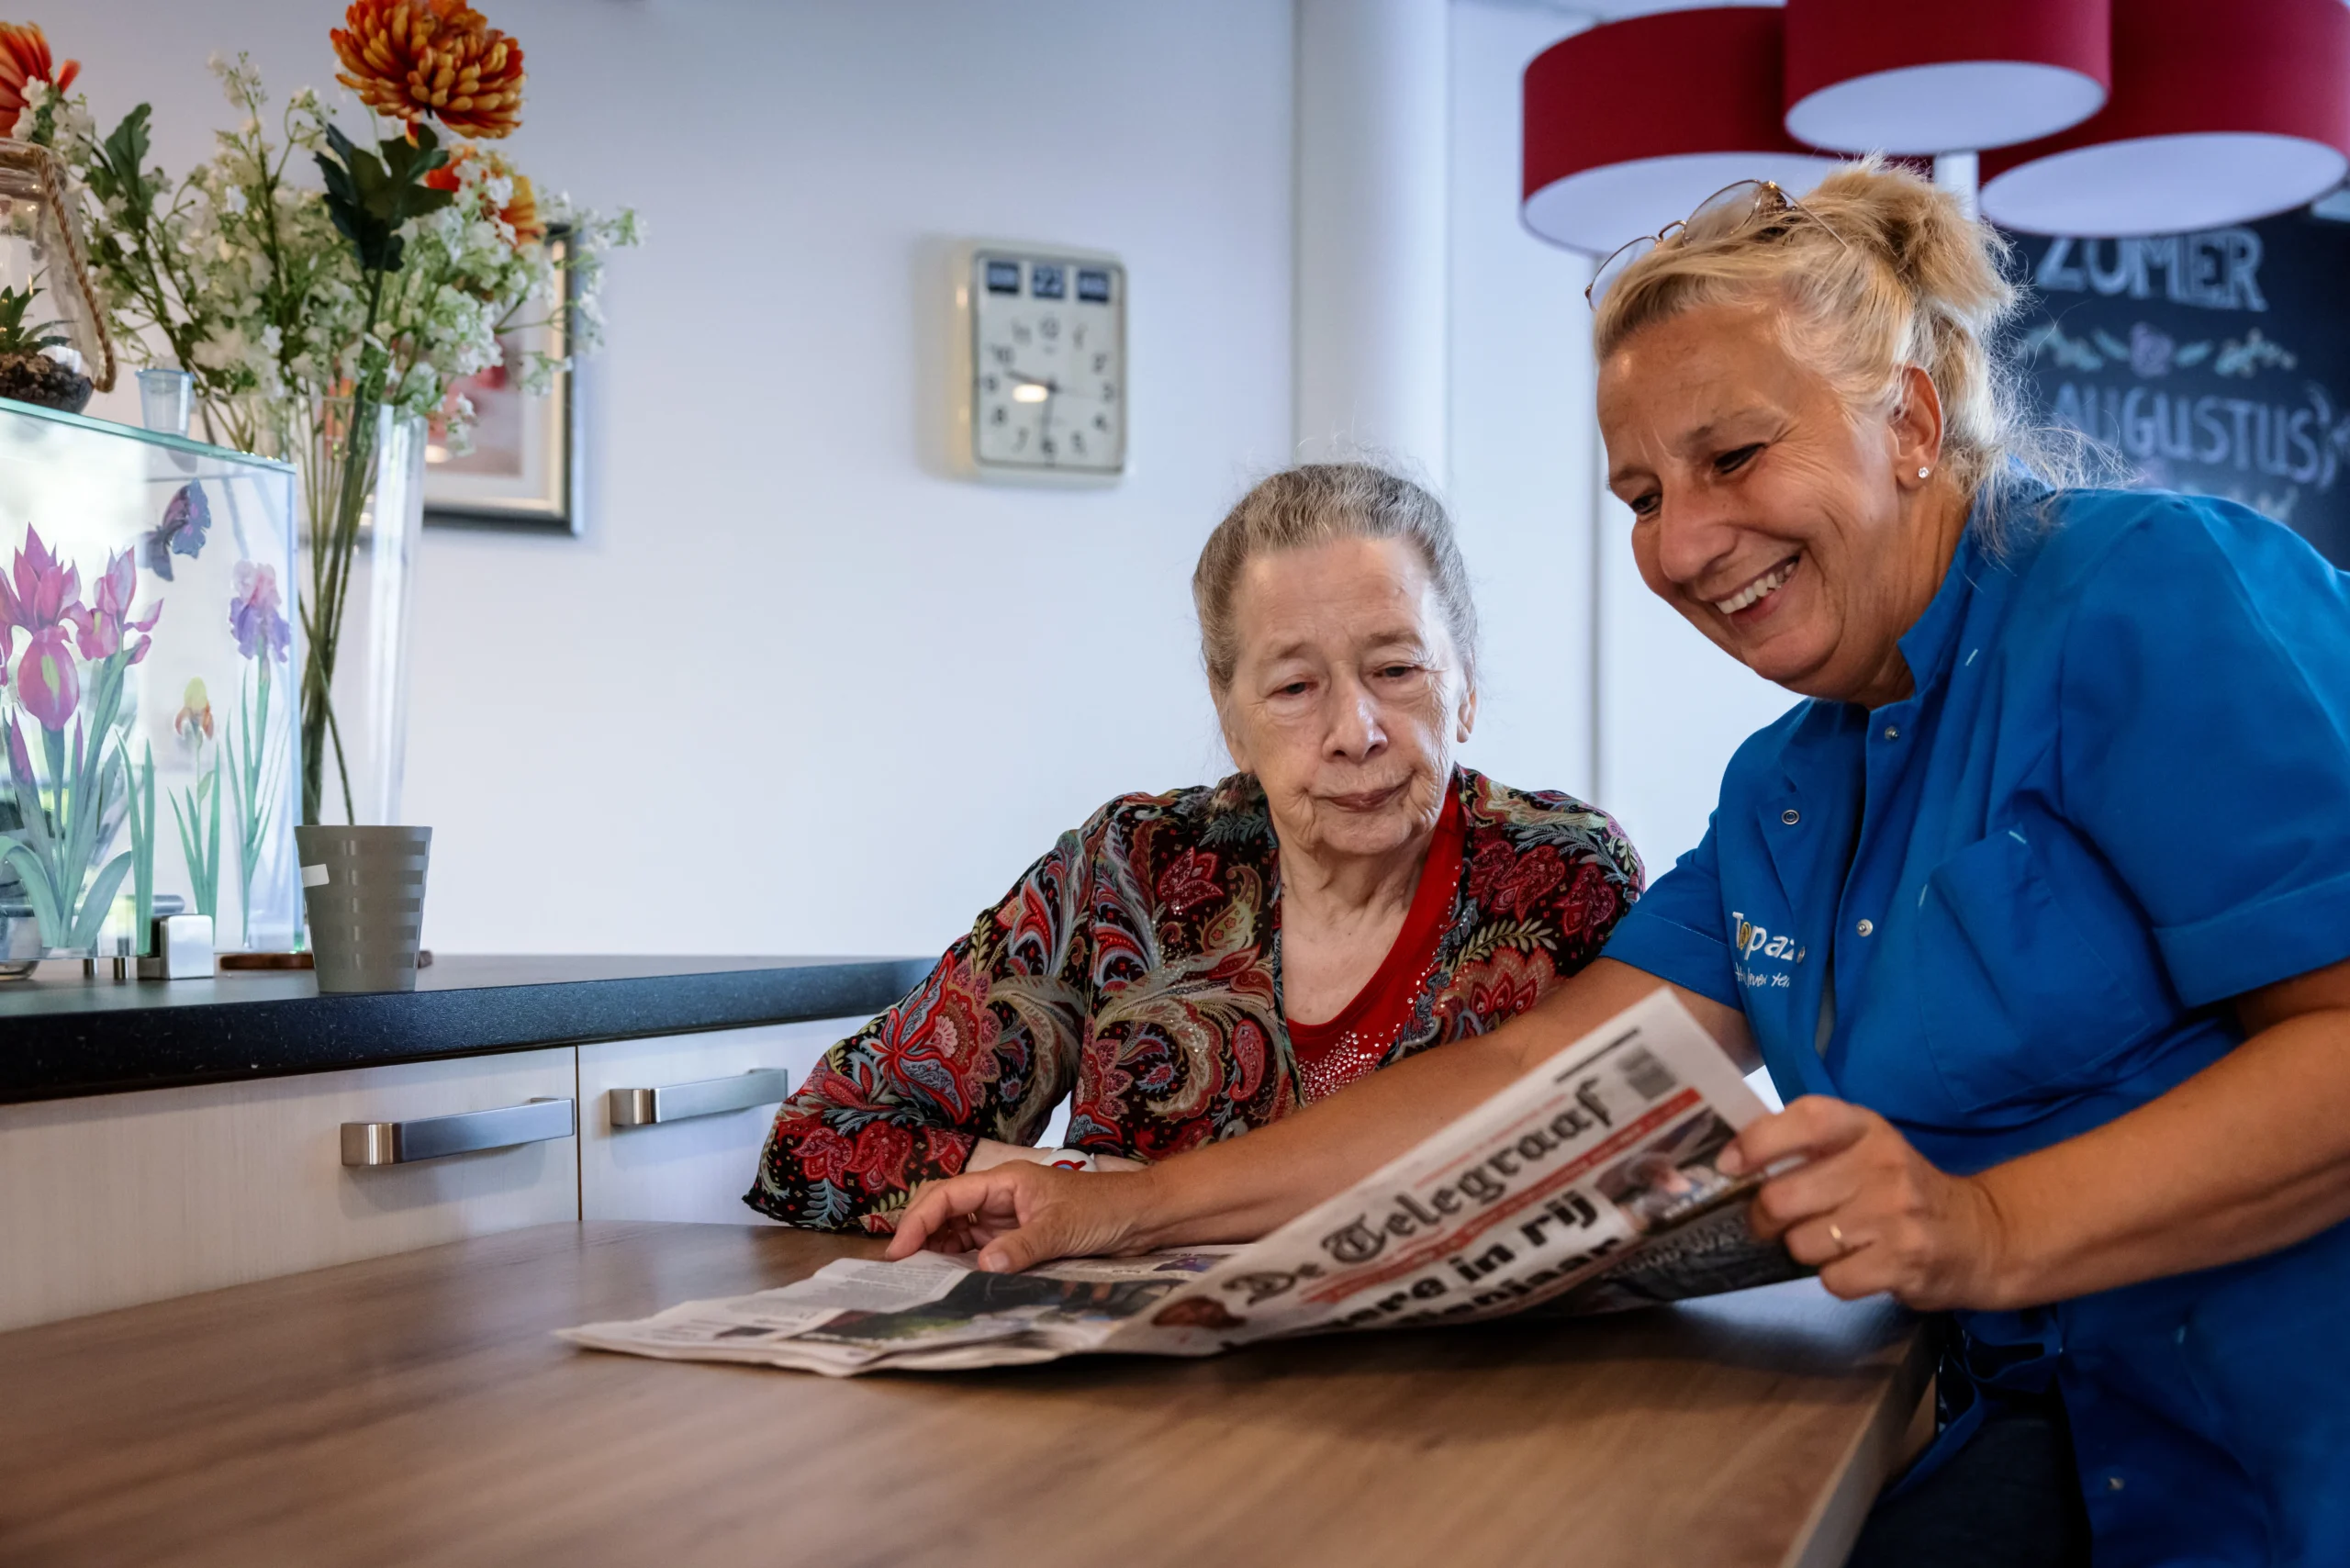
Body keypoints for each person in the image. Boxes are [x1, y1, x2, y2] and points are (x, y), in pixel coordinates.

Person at [886, 162, 2350, 1568]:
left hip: (2293, 1449)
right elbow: (1534, 1071)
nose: (1688, 542)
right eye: (1642, 497)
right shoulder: (1791, 784)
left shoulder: (2149, 594)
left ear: (1907, 420)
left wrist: (1986, 1224)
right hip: (2050, 1430)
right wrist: (1133, 1204)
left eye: (1732, 456)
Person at [745, 463, 1643, 1234]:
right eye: (1294, 686)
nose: (1354, 730)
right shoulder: (1132, 871)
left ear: (1466, 688)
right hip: (1148, 1405)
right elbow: (821, 1137)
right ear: (1233, 722)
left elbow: (1638, 1171)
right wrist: (1100, 1196)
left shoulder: (1561, 876)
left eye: (1396, 670)